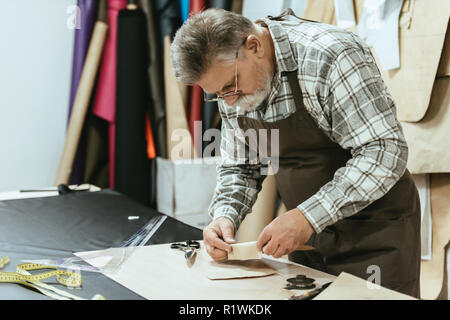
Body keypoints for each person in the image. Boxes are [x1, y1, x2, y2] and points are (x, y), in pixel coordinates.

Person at [170, 8, 421, 297]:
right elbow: (241, 167)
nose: (229, 101)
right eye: (217, 94)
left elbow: (384, 150)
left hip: (376, 235)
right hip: (306, 242)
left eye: (230, 86)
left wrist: (306, 217)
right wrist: (225, 217)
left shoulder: (331, 56)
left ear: (253, 46)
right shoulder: (231, 86)